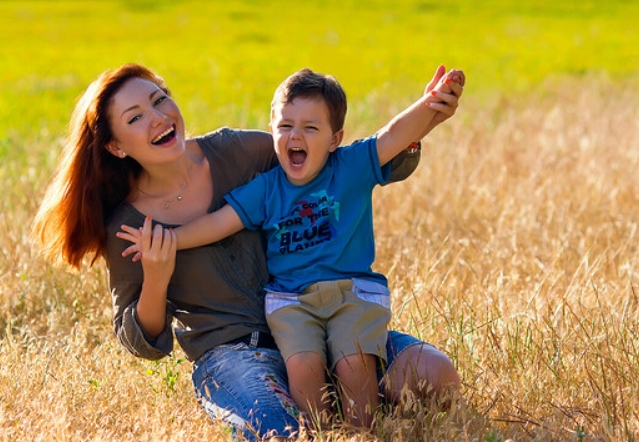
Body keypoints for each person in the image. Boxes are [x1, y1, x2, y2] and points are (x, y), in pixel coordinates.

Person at [32, 63, 463, 441]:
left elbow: (332, 165)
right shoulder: (127, 226)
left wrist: (422, 123)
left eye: (160, 100)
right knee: (282, 432)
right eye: (136, 117)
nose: (159, 117)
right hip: (232, 353)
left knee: (434, 376)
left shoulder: (241, 151)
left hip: (317, 315)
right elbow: (139, 340)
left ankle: (353, 405)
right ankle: (316, 408)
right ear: (116, 146)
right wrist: (157, 278)